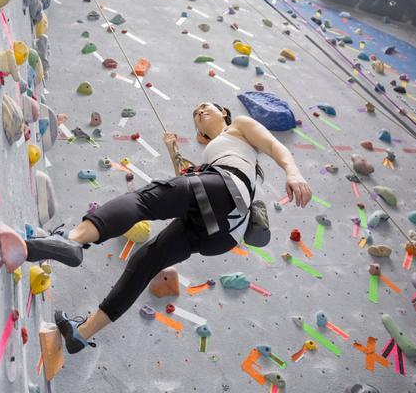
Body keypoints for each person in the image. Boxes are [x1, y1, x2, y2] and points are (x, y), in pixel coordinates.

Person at [24, 102, 312, 354]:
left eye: (206, 107)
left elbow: (274, 146)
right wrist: (172, 149)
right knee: (145, 261)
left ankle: (73, 240)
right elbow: (186, 189)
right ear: (200, 134)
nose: (200, 112)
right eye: (196, 115)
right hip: (221, 232)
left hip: (225, 192)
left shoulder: (239, 126)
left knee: (143, 201)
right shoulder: (215, 155)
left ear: (224, 112)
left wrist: (293, 171)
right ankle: (81, 334)